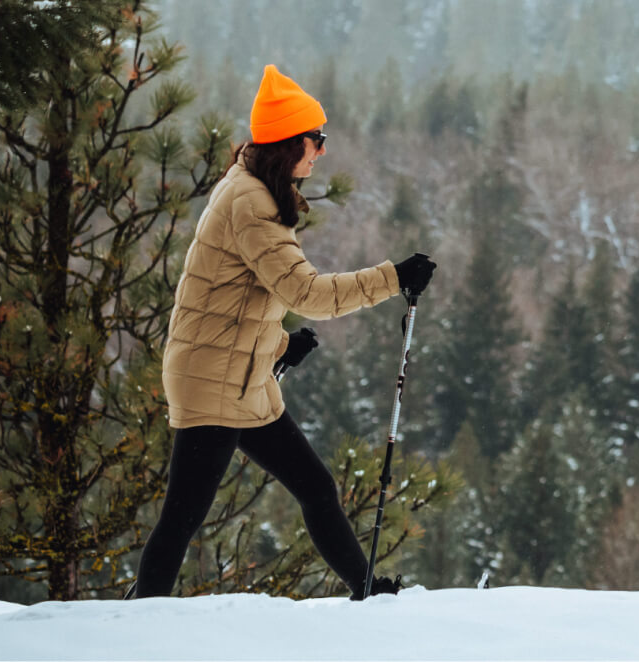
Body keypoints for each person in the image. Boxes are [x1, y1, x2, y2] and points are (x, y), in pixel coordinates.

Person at [129, 65, 437, 600]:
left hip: (240, 376)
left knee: (315, 488)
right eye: (316, 140)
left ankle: (368, 592)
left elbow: (230, 299)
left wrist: (279, 346)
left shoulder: (251, 188)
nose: (321, 151)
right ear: (288, 142)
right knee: (182, 518)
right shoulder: (250, 202)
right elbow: (306, 294)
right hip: (215, 381)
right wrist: (392, 277)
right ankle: (134, 626)